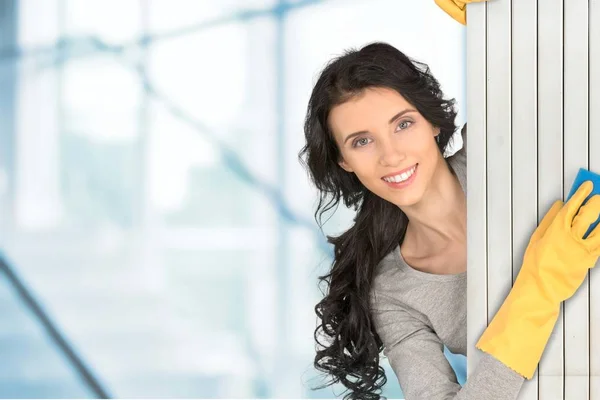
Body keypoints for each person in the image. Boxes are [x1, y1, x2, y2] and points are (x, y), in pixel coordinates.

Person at [298, 42, 600, 399]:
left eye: (403, 124)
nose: (391, 155)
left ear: (433, 122)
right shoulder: (395, 292)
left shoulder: (496, 149)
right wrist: (540, 289)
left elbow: (569, 64)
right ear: (343, 160)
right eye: (362, 141)